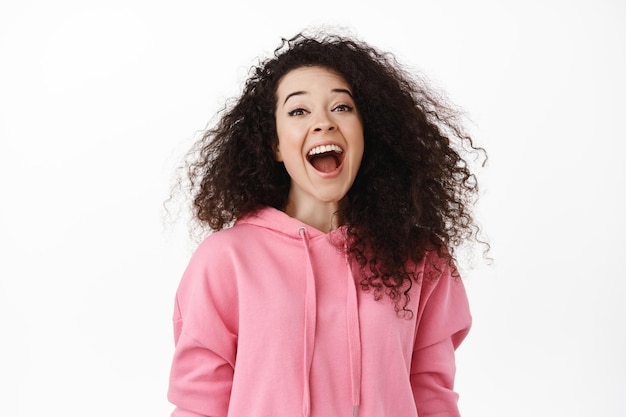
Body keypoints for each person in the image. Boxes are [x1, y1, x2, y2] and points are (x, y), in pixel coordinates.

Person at [167, 30, 486, 417]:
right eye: (299, 111)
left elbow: (432, 398)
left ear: (367, 132)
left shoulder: (420, 260)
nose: (323, 123)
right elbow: (200, 405)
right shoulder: (225, 260)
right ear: (276, 145)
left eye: (342, 108)